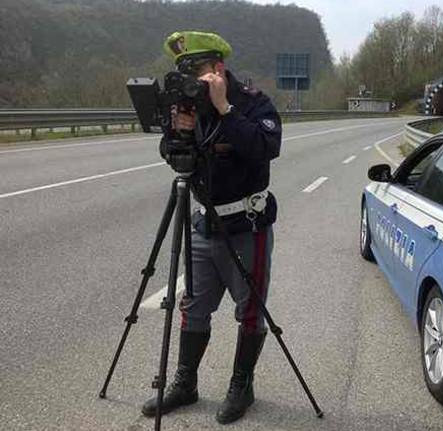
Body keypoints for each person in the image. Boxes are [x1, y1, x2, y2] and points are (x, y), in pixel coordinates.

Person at [141, 31, 281, 425]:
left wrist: (223, 109)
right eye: (184, 72)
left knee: (249, 311)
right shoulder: (191, 105)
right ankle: (185, 384)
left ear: (218, 68)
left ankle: (242, 385)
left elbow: (264, 147)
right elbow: (172, 154)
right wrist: (179, 132)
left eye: (198, 71)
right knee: (193, 305)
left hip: (246, 224)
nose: (192, 81)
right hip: (204, 222)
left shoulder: (254, 104)